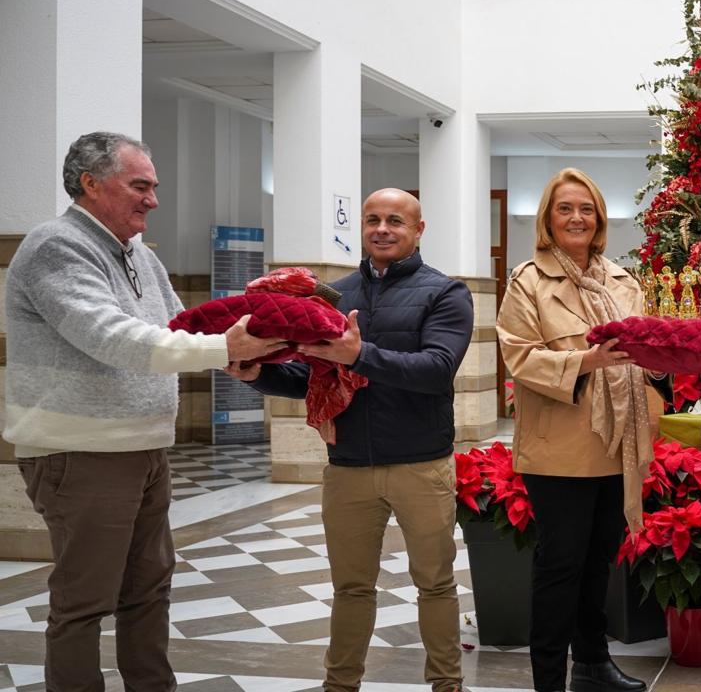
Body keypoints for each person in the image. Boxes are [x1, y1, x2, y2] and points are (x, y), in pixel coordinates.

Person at [3, 131, 286, 692]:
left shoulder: (135, 253)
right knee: (86, 602)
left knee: (149, 589)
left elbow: (181, 327)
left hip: (143, 448)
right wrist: (225, 348)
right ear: (90, 183)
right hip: (82, 453)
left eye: (153, 186)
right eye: (140, 186)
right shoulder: (56, 246)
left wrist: (245, 353)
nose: (153, 199)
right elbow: (114, 339)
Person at [229, 188, 474, 692]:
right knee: (351, 589)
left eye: (395, 221)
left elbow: (436, 370)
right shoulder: (333, 297)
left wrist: (358, 356)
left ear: (418, 229)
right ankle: (339, 685)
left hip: (421, 466)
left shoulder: (446, 294)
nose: (382, 229)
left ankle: (447, 685)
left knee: (435, 585)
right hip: (347, 468)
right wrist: (256, 375)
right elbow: (309, 378)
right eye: (372, 219)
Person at [497, 168, 664, 692]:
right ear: (548, 218)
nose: (577, 218)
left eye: (586, 209)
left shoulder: (624, 281)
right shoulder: (528, 281)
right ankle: (549, 678)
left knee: (598, 564)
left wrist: (661, 364)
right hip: (559, 450)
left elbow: (646, 350)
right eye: (565, 208)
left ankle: (592, 664)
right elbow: (519, 358)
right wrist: (587, 361)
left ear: (600, 220)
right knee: (560, 567)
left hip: (617, 447)